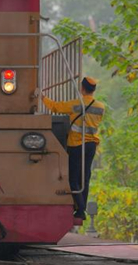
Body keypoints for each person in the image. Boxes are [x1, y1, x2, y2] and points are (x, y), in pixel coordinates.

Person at [41, 77, 105, 220]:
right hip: (91, 146)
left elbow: (55, 107)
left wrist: (43, 97)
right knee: (85, 176)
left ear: (82, 89)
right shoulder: (101, 107)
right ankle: (82, 208)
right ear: (93, 90)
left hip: (76, 145)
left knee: (73, 177)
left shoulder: (76, 104)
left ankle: (80, 209)